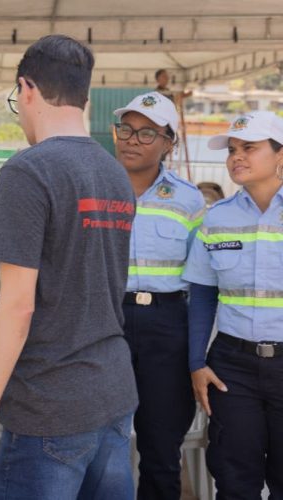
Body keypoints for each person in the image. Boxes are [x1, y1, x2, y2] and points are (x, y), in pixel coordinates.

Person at [0, 34, 138, 499]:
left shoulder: (27, 171)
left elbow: (17, 307)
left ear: (26, 89)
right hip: (113, 392)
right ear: (85, 97)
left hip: (49, 404)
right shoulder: (114, 172)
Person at [183, 111, 283, 498]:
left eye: (249, 148)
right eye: (232, 149)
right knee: (233, 479)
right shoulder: (217, 218)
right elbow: (202, 296)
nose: (236, 156)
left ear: (280, 154)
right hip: (233, 368)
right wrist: (197, 363)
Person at [113, 91, 205, 499]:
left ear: (169, 143)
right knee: (97, 444)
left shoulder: (188, 199)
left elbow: (202, 281)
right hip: (106, 321)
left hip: (168, 327)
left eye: (147, 133)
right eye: (126, 129)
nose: (132, 140)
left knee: (161, 449)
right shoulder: (94, 187)